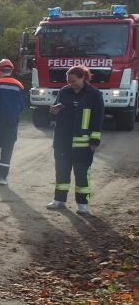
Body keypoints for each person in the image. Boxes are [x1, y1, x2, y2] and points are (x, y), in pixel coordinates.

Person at [46, 64, 104, 214]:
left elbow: (98, 119)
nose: (70, 84)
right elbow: (56, 112)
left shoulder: (94, 94)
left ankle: (82, 205)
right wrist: (53, 112)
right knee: (61, 172)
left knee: (81, 174)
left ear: (83, 78)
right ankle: (59, 201)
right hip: (62, 141)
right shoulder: (64, 92)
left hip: (83, 144)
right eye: (68, 81)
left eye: (73, 81)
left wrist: (94, 141)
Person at [0, 58, 24, 184]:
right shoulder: (19, 85)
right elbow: (22, 105)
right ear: (11, 70)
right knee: (8, 147)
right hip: (12, 121)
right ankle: (3, 178)